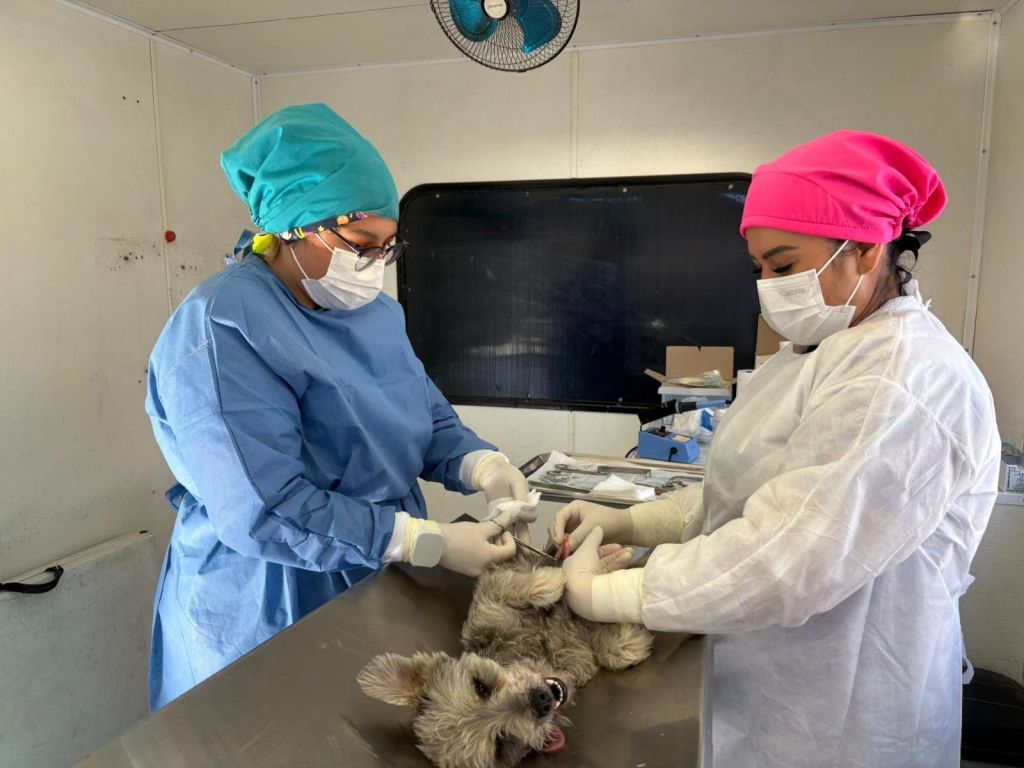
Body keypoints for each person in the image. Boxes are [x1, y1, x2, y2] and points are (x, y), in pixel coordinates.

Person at [551, 130, 1000, 768]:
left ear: (869, 249)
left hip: (845, 711)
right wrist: (626, 519)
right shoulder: (817, 354)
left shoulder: (902, 379)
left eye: (785, 266)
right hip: (774, 686)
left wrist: (607, 596)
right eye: (760, 269)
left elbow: (788, 558)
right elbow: (744, 495)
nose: (769, 287)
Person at [145, 103, 530, 711]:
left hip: (376, 567)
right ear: (294, 227)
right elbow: (266, 507)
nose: (374, 265)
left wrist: (481, 465)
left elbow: (422, 417)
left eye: (388, 247)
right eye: (361, 243)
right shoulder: (222, 328)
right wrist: (426, 542)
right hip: (270, 593)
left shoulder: (372, 313)